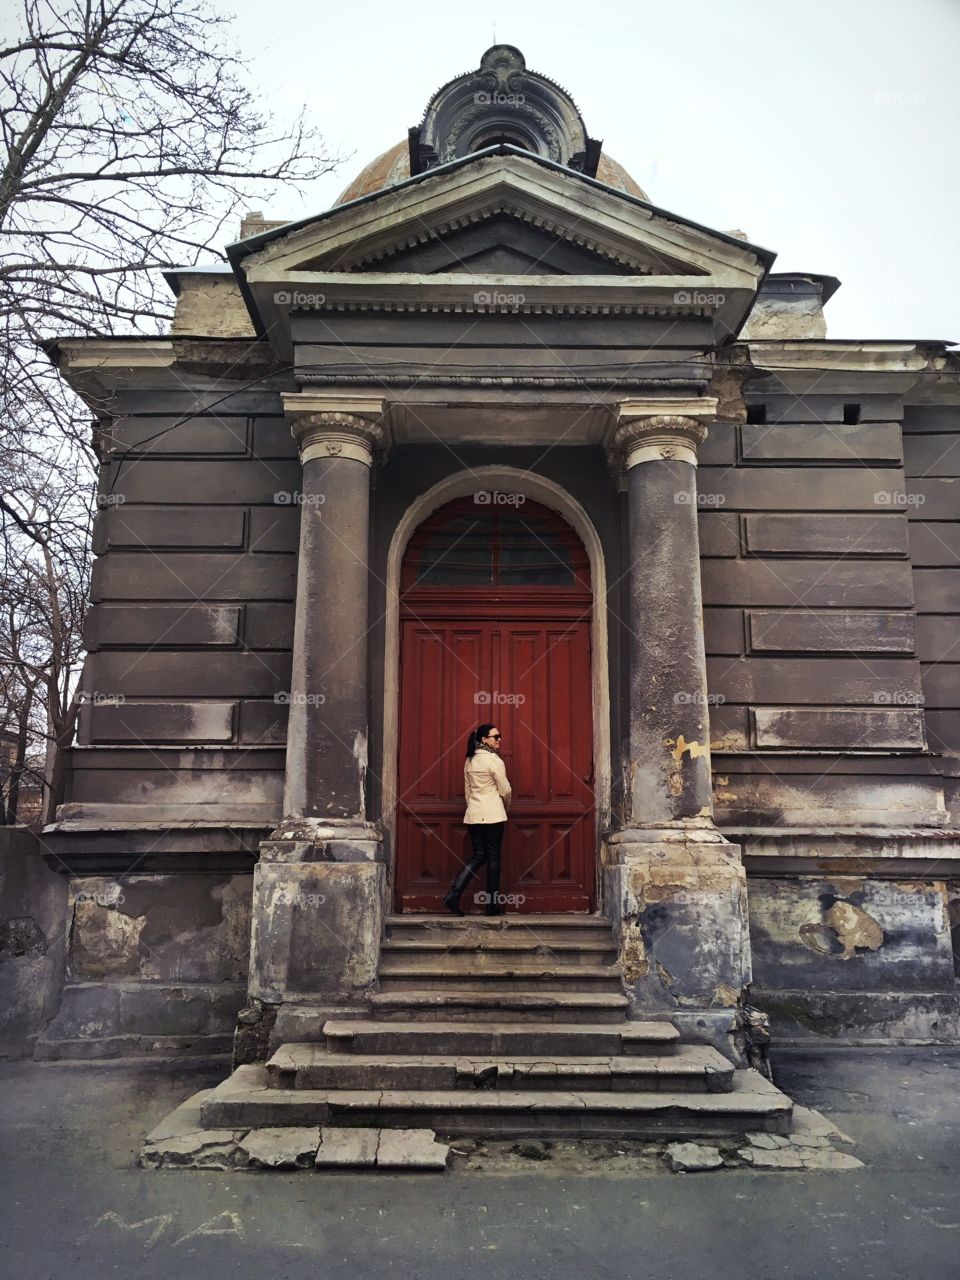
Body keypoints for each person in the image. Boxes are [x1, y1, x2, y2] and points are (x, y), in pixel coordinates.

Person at [442, 722, 512, 916]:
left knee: (478, 855)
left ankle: (453, 896)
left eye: (499, 736)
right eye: (495, 737)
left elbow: (467, 791)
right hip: (493, 815)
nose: (499, 740)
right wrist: (506, 805)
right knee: (493, 858)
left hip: (474, 814)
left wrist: (474, 806)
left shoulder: (470, 760)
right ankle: (491, 906)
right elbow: (505, 789)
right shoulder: (494, 760)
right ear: (484, 740)